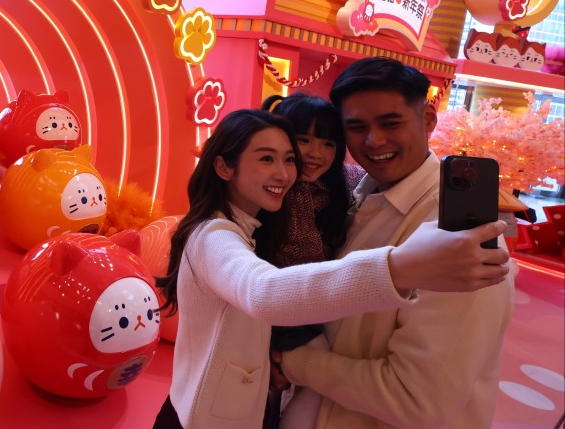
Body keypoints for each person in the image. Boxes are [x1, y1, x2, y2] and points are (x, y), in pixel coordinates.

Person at [151, 108, 510, 429]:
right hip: (203, 416)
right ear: (224, 166)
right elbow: (262, 291)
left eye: (288, 159)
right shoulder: (214, 235)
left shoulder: (259, 227)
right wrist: (399, 267)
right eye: (266, 159)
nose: (283, 173)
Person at [275, 58, 516, 428]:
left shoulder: (460, 234)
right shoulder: (353, 198)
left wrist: (295, 362)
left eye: (391, 123)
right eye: (356, 128)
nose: (374, 141)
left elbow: (417, 398)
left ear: (428, 119)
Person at [258, 93, 357, 428]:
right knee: (317, 382)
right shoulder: (289, 189)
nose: (316, 153)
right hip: (282, 310)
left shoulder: (329, 189)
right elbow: (306, 257)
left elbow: (358, 178)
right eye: (303, 140)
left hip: (297, 309)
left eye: (328, 143)